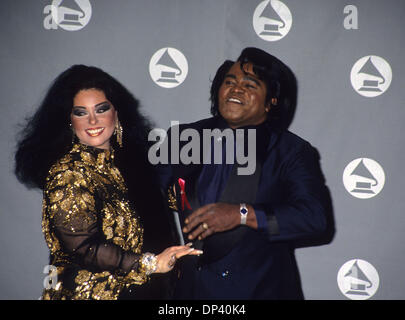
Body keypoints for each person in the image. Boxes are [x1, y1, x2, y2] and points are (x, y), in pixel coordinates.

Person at [14, 65, 201, 300]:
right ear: (69, 120)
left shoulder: (136, 164)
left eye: (101, 109)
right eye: (81, 112)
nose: (93, 120)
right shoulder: (68, 172)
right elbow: (84, 247)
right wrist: (151, 264)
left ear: (117, 112)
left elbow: (168, 207)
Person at [163, 47, 332, 299]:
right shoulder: (182, 138)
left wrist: (243, 214)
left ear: (271, 101)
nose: (236, 89)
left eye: (251, 85)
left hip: (259, 290)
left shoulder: (291, 151)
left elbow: (314, 219)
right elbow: (147, 199)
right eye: (229, 81)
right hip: (191, 292)